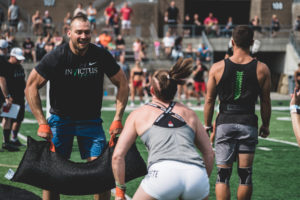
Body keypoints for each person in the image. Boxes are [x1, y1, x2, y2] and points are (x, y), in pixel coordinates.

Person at [25, 14, 129, 200]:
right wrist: (42, 122)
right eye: (79, 32)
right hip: (60, 121)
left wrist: (117, 118)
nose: (83, 36)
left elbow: (122, 82)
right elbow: (31, 85)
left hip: (91, 122)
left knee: (101, 174)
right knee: (52, 175)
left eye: (87, 32)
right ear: (69, 33)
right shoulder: (57, 55)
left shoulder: (99, 54)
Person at [112, 57, 214, 200]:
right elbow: (209, 153)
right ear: (175, 89)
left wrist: (120, 192)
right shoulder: (189, 113)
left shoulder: (138, 114)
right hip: (196, 173)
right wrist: (201, 180)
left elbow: (117, 156)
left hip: (163, 173)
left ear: (152, 90)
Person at [204, 25, 271, 200]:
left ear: (232, 42)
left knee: (223, 176)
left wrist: (206, 125)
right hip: (248, 122)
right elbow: (265, 101)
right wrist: (266, 124)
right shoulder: (262, 69)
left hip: (225, 122)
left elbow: (209, 100)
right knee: (245, 175)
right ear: (252, 43)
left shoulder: (217, 67)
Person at [0, 47, 26, 151]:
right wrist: (7, 96)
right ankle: (6, 142)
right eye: (17, 58)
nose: (19, 60)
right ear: (12, 56)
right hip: (9, 98)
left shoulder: (19, 67)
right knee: (7, 117)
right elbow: (2, 80)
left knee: (17, 118)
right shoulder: (6, 66)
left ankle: (11, 140)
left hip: (19, 97)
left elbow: (23, 80)